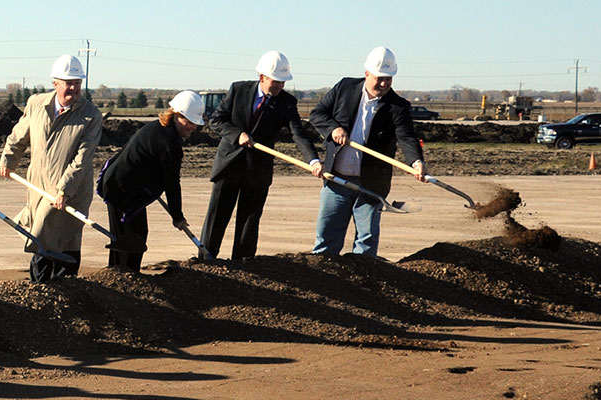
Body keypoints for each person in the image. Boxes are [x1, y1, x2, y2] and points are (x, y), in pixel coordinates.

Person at [200, 51, 323, 262]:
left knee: (249, 221)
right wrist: (237, 134)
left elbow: (298, 134)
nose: (279, 86)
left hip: (257, 171)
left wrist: (313, 160)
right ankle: (206, 262)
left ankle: (244, 265)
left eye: (283, 82)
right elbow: (216, 120)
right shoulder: (238, 90)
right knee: (217, 217)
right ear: (262, 77)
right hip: (229, 165)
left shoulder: (287, 102)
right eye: (276, 81)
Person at [308, 46, 424, 257]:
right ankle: (322, 279)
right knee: (327, 237)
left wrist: (416, 162)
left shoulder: (397, 106)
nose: (383, 84)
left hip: (371, 183)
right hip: (337, 179)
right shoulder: (344, 88)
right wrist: (333, 128)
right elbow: (317, 114)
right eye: (379, 78)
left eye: (388, 79)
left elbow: (407, 137)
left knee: (366, 239)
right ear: (367, 74)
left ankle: (362, 283)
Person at [0, 54, 104, 282]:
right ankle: (40, 292)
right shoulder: (37, 104)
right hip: (39, 187)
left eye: (77, 84)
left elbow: (82, 159)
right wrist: (8, 160)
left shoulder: (90, 115)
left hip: (71, 191)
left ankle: (66, 292)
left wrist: (65, 190)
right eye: (69, 83)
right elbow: (19, 136)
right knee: (41, 236)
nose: (74, 89)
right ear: (55, 83)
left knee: (65, 238)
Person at [97, 91, 205, 272]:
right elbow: (172, 183)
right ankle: (124, 275)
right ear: (177, 115)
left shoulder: (157, 127)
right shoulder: (169, 144)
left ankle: (121, 273)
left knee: (127, 236)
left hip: (119, 183)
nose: (193, 127)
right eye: (190, 122)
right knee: (133, 237)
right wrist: (177, 216)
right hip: (122, 189)